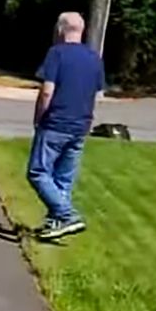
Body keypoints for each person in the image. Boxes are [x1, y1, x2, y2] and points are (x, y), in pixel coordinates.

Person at [27, 12, 106, 239]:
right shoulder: (94, 58)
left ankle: (68, 214)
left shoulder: (56, 54)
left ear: (60, 30)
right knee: (63, 178)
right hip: (80, 125)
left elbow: (47, 91)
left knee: (38, 172)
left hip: (55, 123)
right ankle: (56, 223)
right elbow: (97, 94)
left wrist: (38, 117)